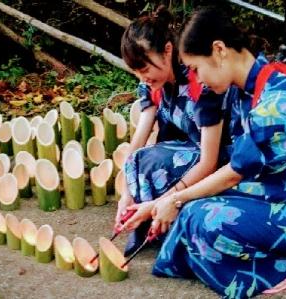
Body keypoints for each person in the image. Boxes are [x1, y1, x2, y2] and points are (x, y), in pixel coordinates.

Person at [148, 6, 286, 298]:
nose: (196, 80)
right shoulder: (246, 86)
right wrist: (175, 200)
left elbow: (234, 173)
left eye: (196, 69)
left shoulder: (277, 101)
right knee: (190, 213)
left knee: (203, 217)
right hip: (283, 189)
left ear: (219, 49)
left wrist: (176, 197)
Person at [117, 6, 235, 256]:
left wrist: (162, 201)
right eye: (136, 71)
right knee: (139, 159)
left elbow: (209, 162)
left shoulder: (201, 81)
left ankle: (161, 218)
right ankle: (146, 217)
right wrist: (125, 194)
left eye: (145, 68)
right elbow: (136, 144)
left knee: (157, 162)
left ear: (168, 51)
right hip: (185, 149)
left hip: (220, 157)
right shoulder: (153, 84)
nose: (142, 78)